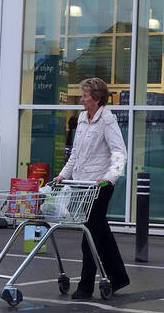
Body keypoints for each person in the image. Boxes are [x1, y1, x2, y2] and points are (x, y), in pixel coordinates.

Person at [55, 77, 129, 299]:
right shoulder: (82, 119)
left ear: (96, 99)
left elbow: (119, 153)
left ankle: (86, 286)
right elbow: (76, 154)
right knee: (100, 232)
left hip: (99, 185)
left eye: (85, 95)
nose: (82, 99)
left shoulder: (107, 121)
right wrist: (63, 175)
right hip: (82, 184)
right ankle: (118, 278)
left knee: (89, 234)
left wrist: (109, 178)